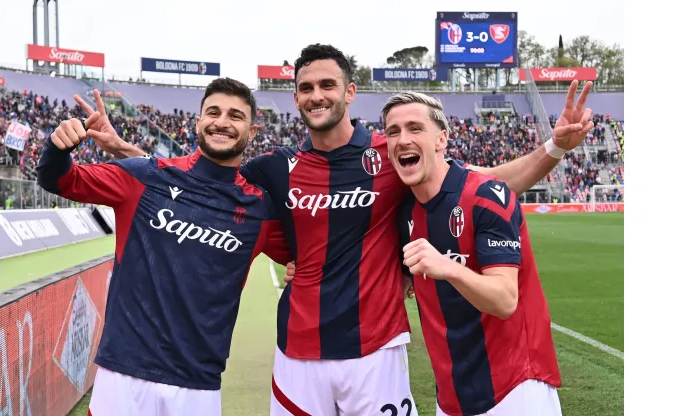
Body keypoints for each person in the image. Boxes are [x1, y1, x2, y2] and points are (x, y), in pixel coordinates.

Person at [85, 44, 592, 416]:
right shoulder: (276, 167)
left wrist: (556, 149)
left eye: (328, 85)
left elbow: (480, 183)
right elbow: (203, 177)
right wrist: (127, 152)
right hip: (297, 350)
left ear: (349, 92)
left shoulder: (390, 153)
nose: (317, 95)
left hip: (376, 350)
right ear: (296, 98)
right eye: (306, 88)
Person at [36, 78, 292, 416]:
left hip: (197, 383)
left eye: (235, 115)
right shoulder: (144, 175)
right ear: (198, 121)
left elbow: (312, 256)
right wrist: (59, 145)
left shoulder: (260, 208)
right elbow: (59, 179)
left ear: (253, 130)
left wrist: (297, 267)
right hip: (122, 374)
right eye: (213, 112)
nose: (222, 122)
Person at [388, 91, 564, 416]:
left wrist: (448, 267)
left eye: (415, 128)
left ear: (442, 139)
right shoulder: (403, 212)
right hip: (452, 398)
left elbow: (504, 300)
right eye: (393, 131)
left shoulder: (486, 196)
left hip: (514, 388)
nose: (403, 139)